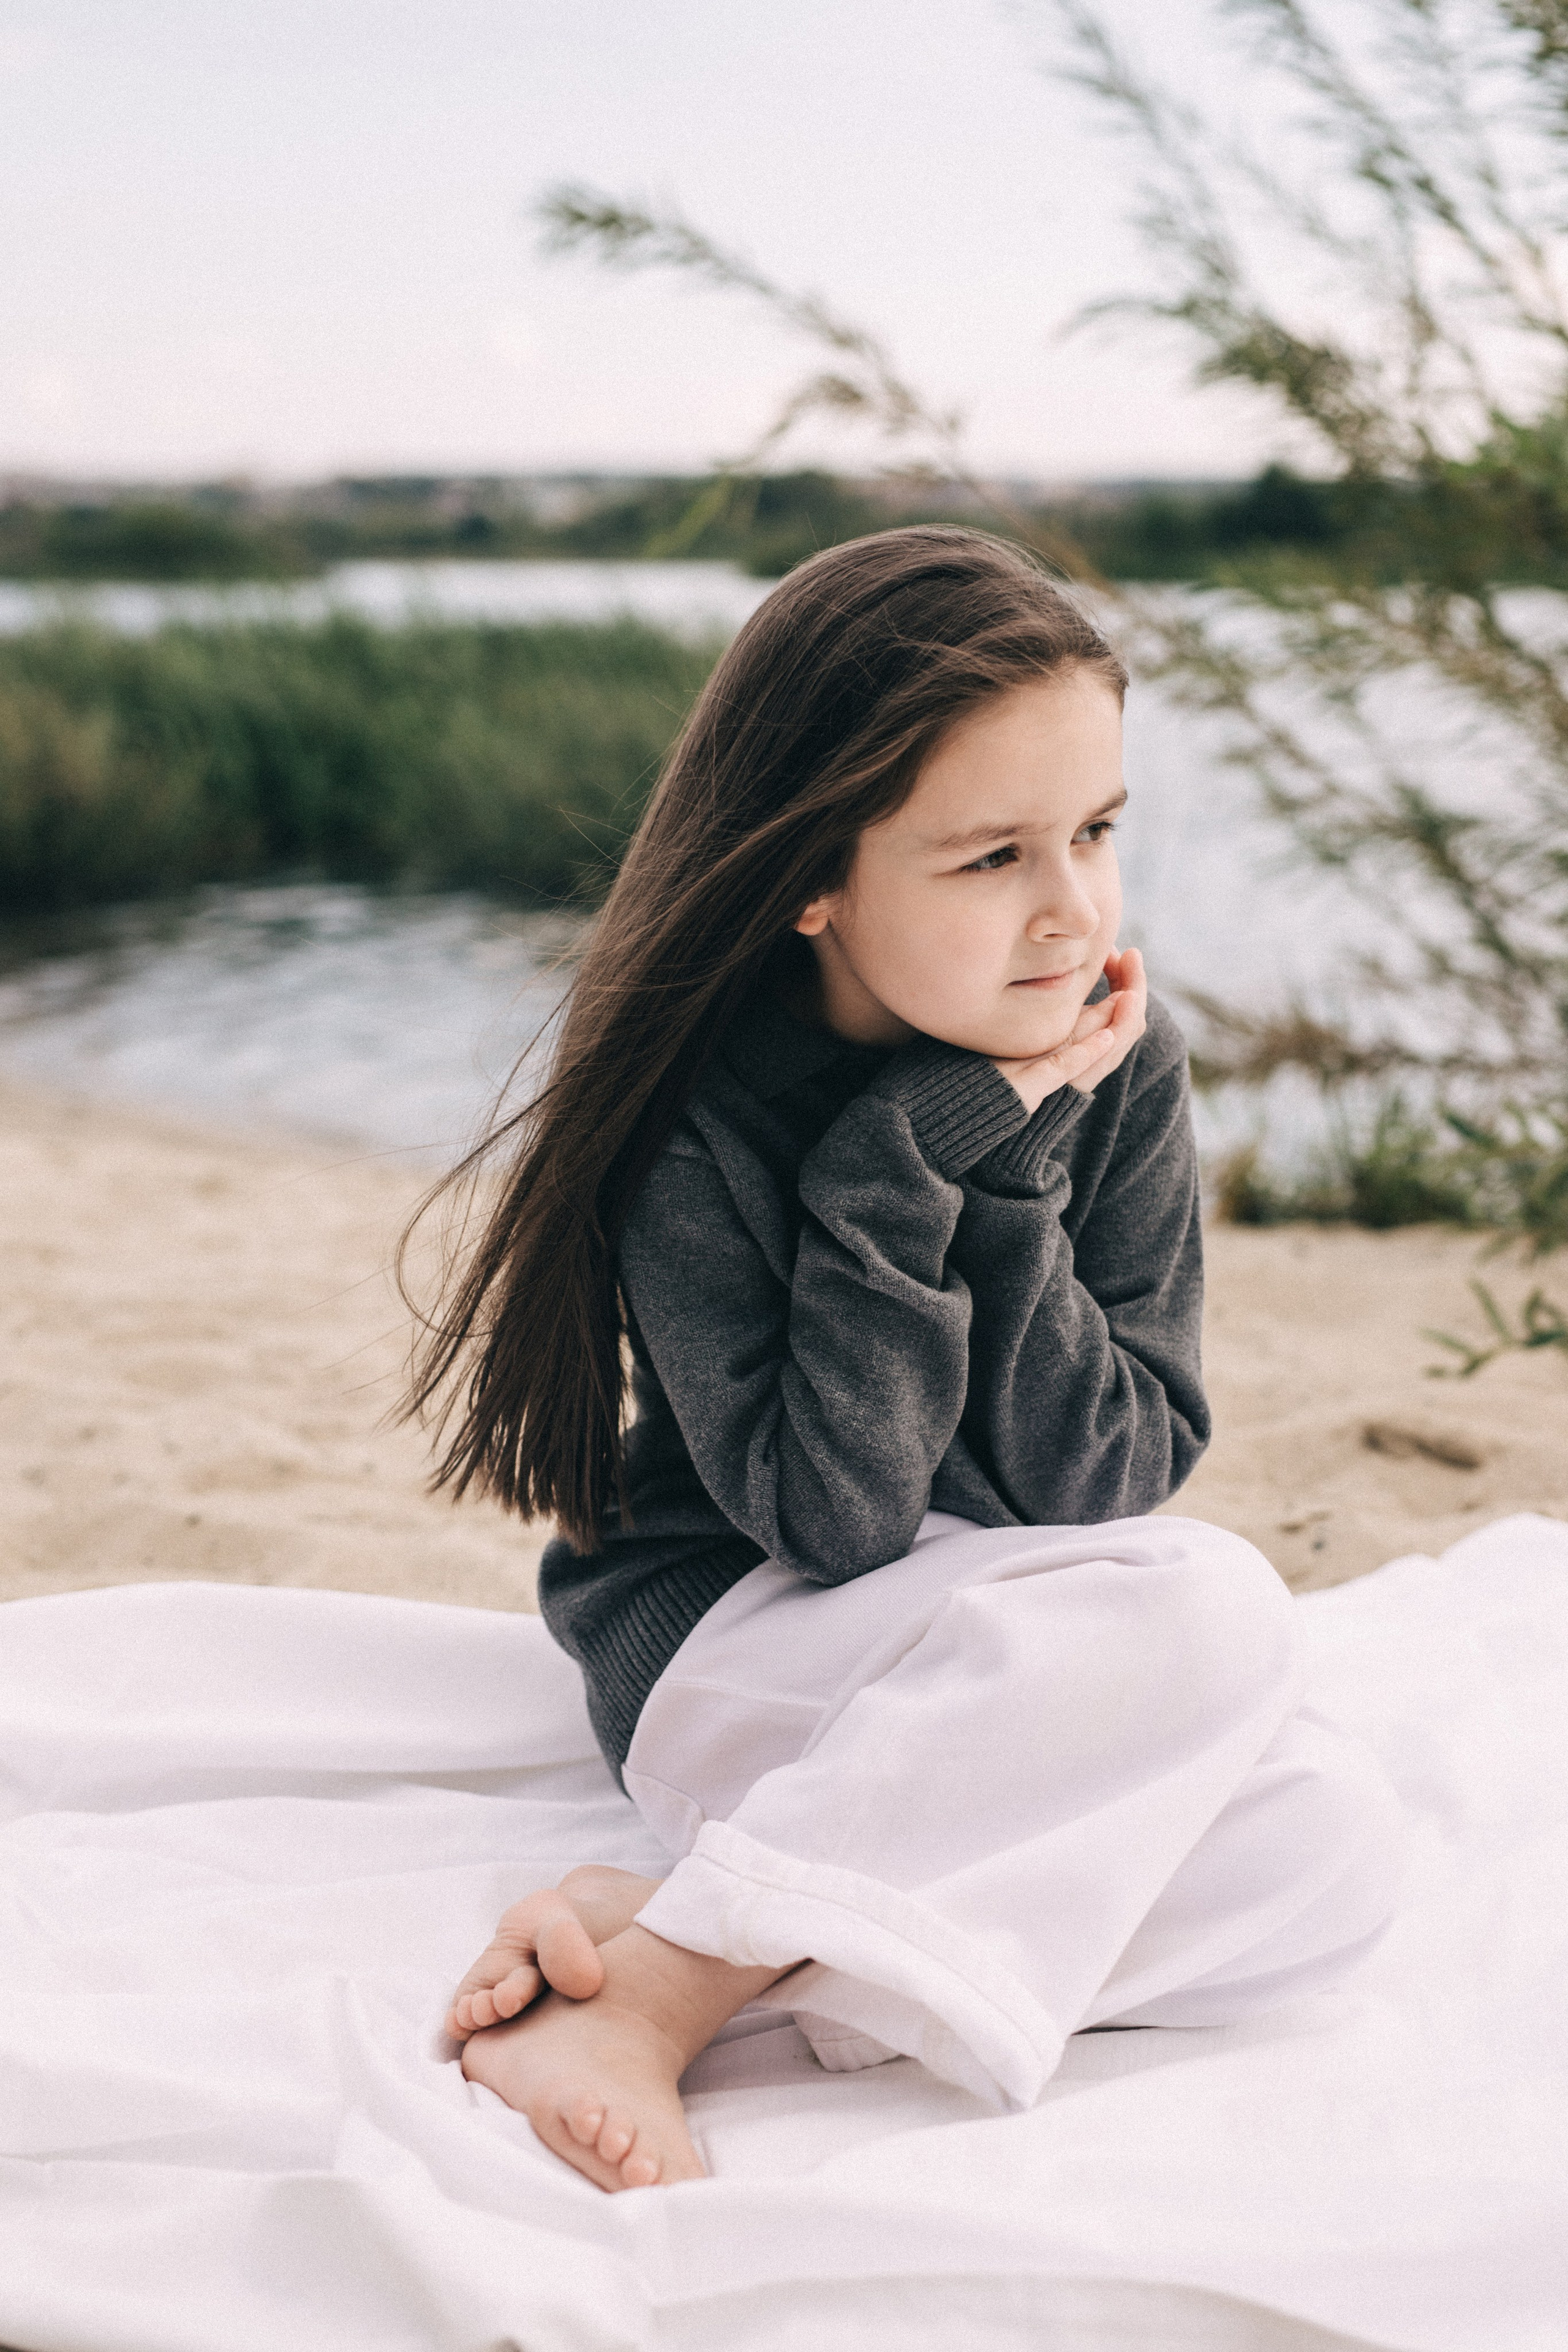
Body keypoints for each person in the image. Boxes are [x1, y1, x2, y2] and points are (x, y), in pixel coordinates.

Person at [408, 528, 1403, 2194]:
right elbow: (837, 1520)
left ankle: (691, 1925)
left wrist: (1011, 1170)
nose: (1072, 908)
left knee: (1332, 1860)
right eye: (993, 856)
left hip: (1002, 1632)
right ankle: (644, 2003)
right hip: (742, 1632)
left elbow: (1113, 1473)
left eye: (1094, 833)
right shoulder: (703, 1116)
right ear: (813, 878)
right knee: (1212, 1609)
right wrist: (906, 1168)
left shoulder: (1114, 1062)